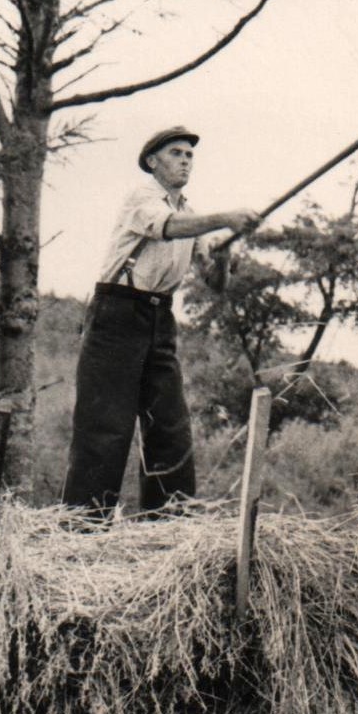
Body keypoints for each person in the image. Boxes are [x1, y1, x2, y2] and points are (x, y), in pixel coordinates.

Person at [62, 126, 260, 513]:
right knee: (106, 428)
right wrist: (226, 219)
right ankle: (83, 526)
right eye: (176, 154)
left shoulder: (190, 213)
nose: (185, 161)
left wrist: (222, 255)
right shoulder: (143, 198)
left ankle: (169, 523)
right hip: (117, 313)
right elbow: (168, 227)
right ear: (153, 162)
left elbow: (215, 283)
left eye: (189, 155)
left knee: (170, 426)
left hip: (159, 318)